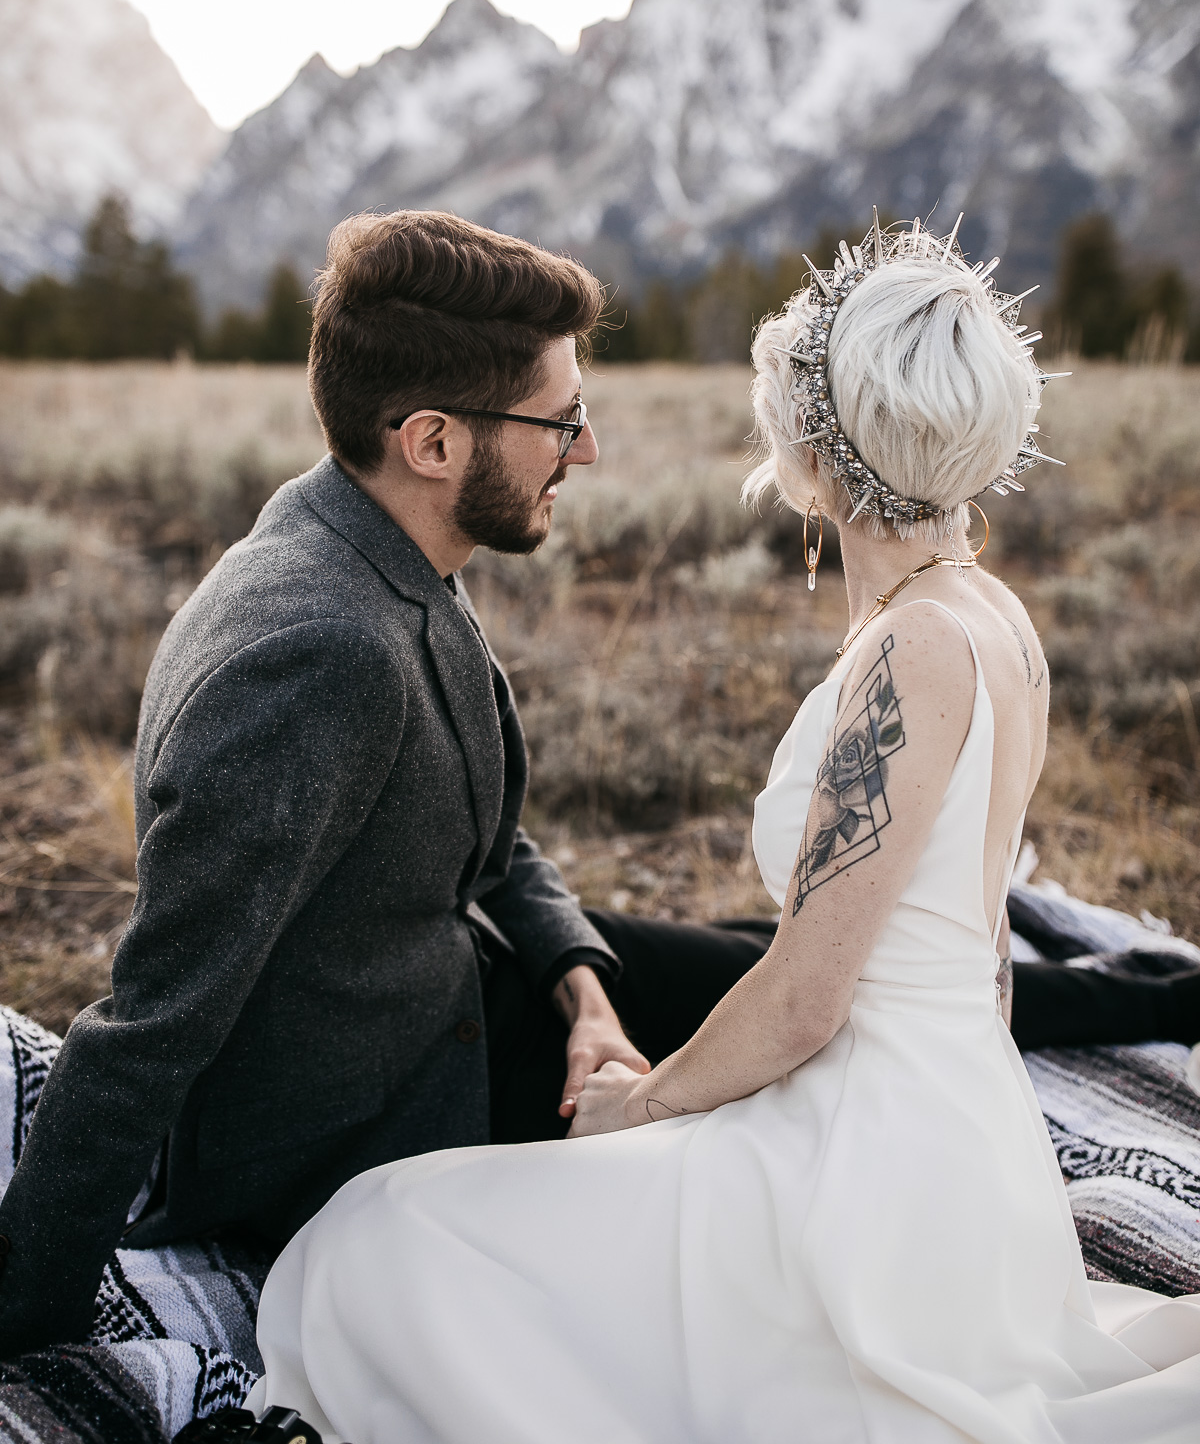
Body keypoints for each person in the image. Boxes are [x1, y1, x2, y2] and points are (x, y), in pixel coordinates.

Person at [0, 210, 1193, 1363]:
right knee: (791, 986)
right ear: (433, 442)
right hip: (383, 1088)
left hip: (469, 974)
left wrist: (583, 991)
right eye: (559, 422)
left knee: (770, 959)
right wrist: (26, 1311)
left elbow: (495, 842)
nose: (590, 451)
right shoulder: (315, 657)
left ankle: (1135, 985)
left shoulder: (378, 542)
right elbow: (153, 1017)